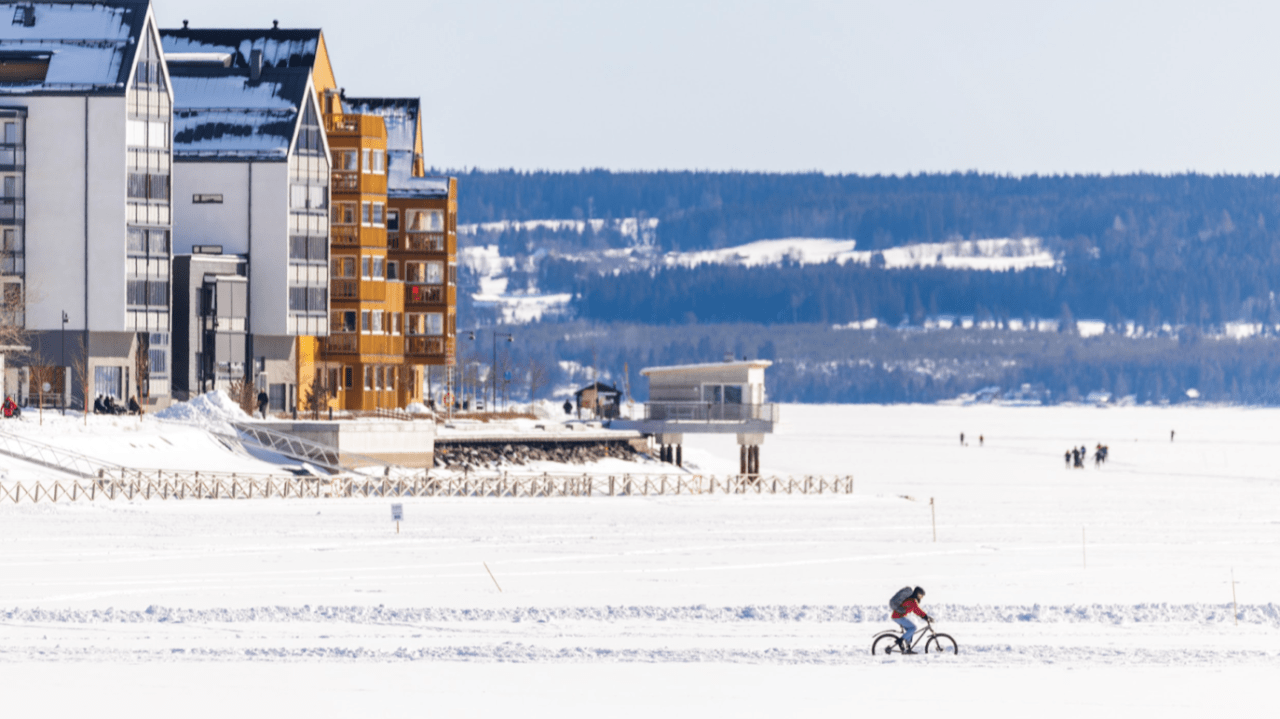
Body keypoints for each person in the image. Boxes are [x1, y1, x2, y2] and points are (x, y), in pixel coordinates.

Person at [891, 587, 931, 654]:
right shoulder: (912, 601)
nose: (921, 597)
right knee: (913, 627)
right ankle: (900, 640)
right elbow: (917, 610)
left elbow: (916, 611)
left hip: (898, 616)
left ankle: (908, 649)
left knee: (910, 631)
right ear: (917, 594)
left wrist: (925, 617)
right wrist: (926, 617)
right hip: (898, 617)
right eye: (921, 595)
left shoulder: (911, 600)